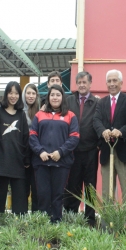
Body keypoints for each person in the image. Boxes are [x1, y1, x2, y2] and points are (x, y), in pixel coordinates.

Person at [30, 84, 79, 223]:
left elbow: (74, 137)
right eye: (52, 95)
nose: (55, 97)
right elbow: (32, 135)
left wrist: (61, 152)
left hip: (61, 163)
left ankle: (56, 223)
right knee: (43, 194)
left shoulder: (70, 115)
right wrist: (41, 151)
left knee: (58, 195)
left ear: (62, 97)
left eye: (58, 95)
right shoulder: (39, 115)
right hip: (42, 162)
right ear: (48, 97)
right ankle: (44, 224)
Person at [93, 69, 126, 203]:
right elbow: (96, 120)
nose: (112, 84)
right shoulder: (101, 102)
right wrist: (103, 131)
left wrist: (121, 131)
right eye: (109, 81)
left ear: (121, 83)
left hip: (125, 152)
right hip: (107, 152)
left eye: (115, 80)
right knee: (107, 192)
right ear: (106, 84)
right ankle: (108, 224)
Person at [0, 81, 30, 215]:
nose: (13, 96)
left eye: (16, 93)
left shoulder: (21, 114)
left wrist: (26, 159)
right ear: (6, 94)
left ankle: (18, 226)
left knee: (20, 199)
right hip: (1, 160)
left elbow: (25, 137)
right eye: (10, 93)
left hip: (18, 161)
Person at [63, 71, 99, 227]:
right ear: (76, 84)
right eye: (79, 83)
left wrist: (98, 145)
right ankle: (71, 218)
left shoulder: (96, 102)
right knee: (73, 185)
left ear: (90, 83)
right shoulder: (68, 101)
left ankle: (90, 220)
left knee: (90, 186)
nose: (82, 85)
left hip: (91, 150)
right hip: (73, 151)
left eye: (85, 82)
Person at [22, 83, 40, 212]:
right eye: (28, 93)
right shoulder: (18, 111)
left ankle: (35, 217)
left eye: (33, 93)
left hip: (36, 154)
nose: (31, 96)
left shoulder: (40, 112)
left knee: (36, 188)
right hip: (22, 154)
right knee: (23, 188)